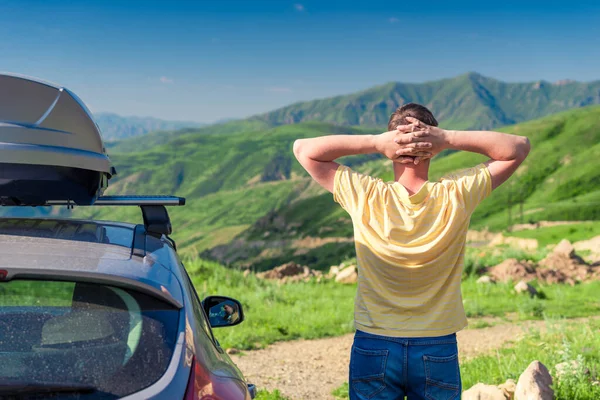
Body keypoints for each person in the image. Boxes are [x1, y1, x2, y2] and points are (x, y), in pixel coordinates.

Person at [292, 103, 530, 400]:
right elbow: (518, 147)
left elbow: (303, 149)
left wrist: (377, 143)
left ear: (392, 145)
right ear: (432, 146)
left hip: (375, 341)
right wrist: (446, 138)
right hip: (437, 342)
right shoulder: (456, 194)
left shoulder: (366, 194)